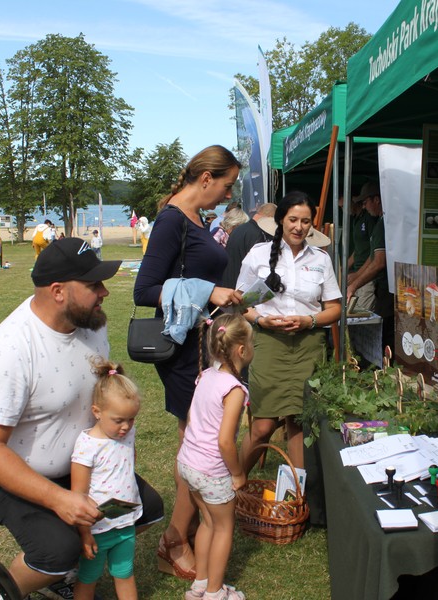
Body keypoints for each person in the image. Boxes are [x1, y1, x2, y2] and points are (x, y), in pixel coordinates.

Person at [0, 238, 164, 598]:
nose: (104, 292)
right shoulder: (10, 351)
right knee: (57, 551)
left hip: (77, 462)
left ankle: (64, 575)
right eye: (93, 285)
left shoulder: (91, 324)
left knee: (146, 511)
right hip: (6, 469)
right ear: (58, 291)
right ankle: (7, 592)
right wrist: (59, 500)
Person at [133, 145, 243, 581]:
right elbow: (144, 290)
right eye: (227, 185)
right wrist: (208, 292)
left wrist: (225, 297)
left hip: (202, 342)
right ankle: (174, 542)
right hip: (182, 352)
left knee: (195, 445)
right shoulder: (171, 220)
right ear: (205, 179)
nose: (228, 194)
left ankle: (184, 532)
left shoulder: (198, 219)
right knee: (197, 447)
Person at [237, 191, 342, 472]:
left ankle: (299, 495)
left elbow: (334, 309)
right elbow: (242, 305)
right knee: (263, 425)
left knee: (300, 422)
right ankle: (232, 483)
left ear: (312, 225)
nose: (299, 227)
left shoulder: (321, 259)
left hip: (308, 346)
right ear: (281, 220)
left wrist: (309, 321)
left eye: (306, 221)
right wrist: (261, 321)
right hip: (269, 344)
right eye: (293, 219)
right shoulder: (258, 255)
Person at [177, 313, 252, 600]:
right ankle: (214, 593)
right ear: (242, 350)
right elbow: (225, 441)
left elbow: (190, 417)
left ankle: (201, 583)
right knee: (223, 528)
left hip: (188, 464)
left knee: (207, 522)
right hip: (211, 471)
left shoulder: (205, 376)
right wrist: (237, 473)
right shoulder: (234, 390)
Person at [71, 358, 143, 600]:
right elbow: (78, 495)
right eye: (119, 420)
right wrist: (84, 533)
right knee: (88, 578)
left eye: (131, 419)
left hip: (125, 522)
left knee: (125, 573)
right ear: (97, 412)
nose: (126, 427)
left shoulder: (128, 434)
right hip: (97, 529)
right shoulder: (87, 446)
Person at [347, 181, 394, 351]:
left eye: (365, 202)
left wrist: (355, 284)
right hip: (382, 287)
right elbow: (373, 257)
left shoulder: (383, 223)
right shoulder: (381, 223)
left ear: (376, 200)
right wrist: (357, 277)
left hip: (387, 288)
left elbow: (379, 262)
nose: (364, 207)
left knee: (385, 333)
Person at [342, 184, 379, 312]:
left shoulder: (369, 219)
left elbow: (374, 254)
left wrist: (358, 274)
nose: (343, 210)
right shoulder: (355, 220)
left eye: (344, 206)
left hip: (367, 276)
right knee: (354, 311)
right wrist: (343, 268)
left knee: (363, 314)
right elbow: (358, 251)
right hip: (358, 275)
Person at [221, 203, 276, 288]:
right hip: (240, 289)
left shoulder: (239, 229)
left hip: (228, 284)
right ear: (270, 218)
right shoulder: (258, 234)